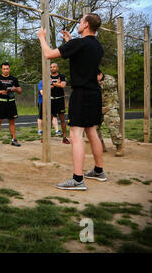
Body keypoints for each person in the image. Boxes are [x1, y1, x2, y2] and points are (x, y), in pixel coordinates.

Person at [38, 13, 105, 190]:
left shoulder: (79, 43)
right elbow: (80, 57)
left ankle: (77, 180)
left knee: (76, 136)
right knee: (92, 132)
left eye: (82, 21)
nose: (79, 23)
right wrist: (69, 41)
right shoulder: (97, 46)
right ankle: (99, 171)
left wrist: (42, 37)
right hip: (94, 93)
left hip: (82, 95)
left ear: (86, 26)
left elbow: (48, 54)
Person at [0, 62, 22, 147]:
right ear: (1, 69)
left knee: (12, 121)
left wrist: (15, 89)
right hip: (0, 102)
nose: (6, 70)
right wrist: (1, 92)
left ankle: (14, 139)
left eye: (7, 68)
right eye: (4, 69)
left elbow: (20, 90)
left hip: (11, 102)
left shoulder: (14, 79)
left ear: (9, 69)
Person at [97, 71, 123, 157]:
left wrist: (96, 82)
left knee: (113, 127)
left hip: (110, 106)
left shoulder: (109, 78)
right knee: (94, 128)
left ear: (100, 74)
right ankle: (101, 146)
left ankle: (119, 147)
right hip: (98, 107)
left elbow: (108, 85)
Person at [50, 63, 70, 144]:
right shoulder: (48, 76)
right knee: (49, 120)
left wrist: (54, 84)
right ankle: (46, 137)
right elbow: (47, 86)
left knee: (62, 119)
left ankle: (64, 137)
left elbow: (63, 85)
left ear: (57, 68)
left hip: (60, 100)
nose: (52, 68)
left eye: (54, 67)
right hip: (51, 100)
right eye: (51, 67)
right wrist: (57, 84)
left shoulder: (61, 76)